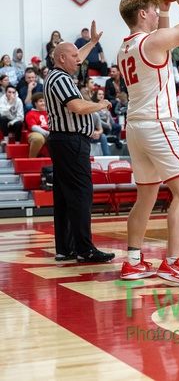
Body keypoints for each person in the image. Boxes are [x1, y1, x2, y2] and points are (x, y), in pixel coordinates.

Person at [118, 0, 179, 286]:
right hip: (158, 125)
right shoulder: (152, 42)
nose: (158, 12)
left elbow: (165, 47)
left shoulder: (126, 48)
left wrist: (166, 9)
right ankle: (173, 263)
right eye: (154, 9)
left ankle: (132, 261)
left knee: (145, 197)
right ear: (143, 14)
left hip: (136, 128)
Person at [43, 21, 115, 264]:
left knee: (64, 196)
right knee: (82, 193)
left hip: (63, 141)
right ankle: (85, 249)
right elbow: (77, 106)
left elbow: (75, 56)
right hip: (70, 141)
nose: (79, 60)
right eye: (74, 56)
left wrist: (92, 43)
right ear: (62, 58)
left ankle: (66, 248)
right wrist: (101, 105)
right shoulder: (61, 78)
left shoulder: (56, 73)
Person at [25, 92, 49, 158]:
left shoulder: (49, 113)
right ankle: (32, 158)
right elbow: (33, 127)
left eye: (44, 101)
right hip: (35, 133)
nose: (43, 103)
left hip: (49, 133)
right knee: (38, 138)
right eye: (40, 101)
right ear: (35, 103)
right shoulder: (30, 113)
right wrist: (47, 133)